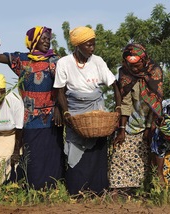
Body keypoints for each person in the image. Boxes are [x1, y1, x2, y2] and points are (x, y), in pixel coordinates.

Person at [0, 26, 64, 189]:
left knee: (51, 154)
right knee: (32, 156)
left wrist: (58, 107)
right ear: (33, 40)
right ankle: (33, 189)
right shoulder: (20, 59)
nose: (46, 41)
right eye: (43, 38)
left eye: (48, 39)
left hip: (51, 117)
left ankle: (53, 188)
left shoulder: (55, 61)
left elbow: (62, 87)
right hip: (28, 119)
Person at [53, 26, 121, 196]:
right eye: (88, 45)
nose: (92, 48)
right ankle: (77, 191)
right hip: (75, 110)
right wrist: (66, 112)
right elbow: (60, 90)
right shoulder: (64, 63)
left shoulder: (97, 61)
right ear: (78, 46)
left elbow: (114, 84)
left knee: (97, 148)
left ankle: (98, 189)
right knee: (76, 147)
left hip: (95, 109)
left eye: (93, 44)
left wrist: (118, 107)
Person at [109, 43, 163, 194]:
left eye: (137, 64)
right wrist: (122, 129)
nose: (134, 69)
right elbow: (125, 103)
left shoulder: (155, 72)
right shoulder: (125, 74)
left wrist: (148, 128)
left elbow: (156, 103)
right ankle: (120, 189)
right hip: (131, 122)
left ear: (144, 60)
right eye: (130, 64)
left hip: (151, 121)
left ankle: (142, 189)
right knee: (120, 152)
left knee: (145, 156)